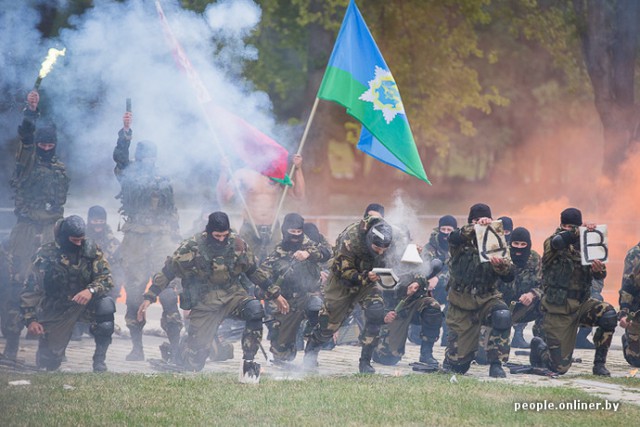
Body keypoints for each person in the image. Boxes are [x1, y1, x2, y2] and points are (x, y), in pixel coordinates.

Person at [137, 212, 276, 377]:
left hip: (233, 297)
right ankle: (177, 351)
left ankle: (249, 363)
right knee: (193, 364)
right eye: (217, 236)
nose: (221, 240)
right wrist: (149, 297)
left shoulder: (238, 244)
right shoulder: (191, 246)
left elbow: (253, 271)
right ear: (209, 232)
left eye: (225, 235)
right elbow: (168, 272)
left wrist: (275, 293)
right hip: (204, 303)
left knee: (254, 309)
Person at [2, 90, 69, 361]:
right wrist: (31, 111)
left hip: (52, 231)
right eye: (42, 144)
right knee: (18, 283)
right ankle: (11, 346)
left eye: (49, 144)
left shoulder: (60, 169)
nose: (45, 148)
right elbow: (26, 139)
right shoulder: (27, 162)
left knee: (53, 286)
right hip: (27, 230)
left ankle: (51, 346)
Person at [113, 111, 182, 361]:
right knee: (133, 294)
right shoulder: (128, 176)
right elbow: (120, 160)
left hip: (161, 239)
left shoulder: (163, 180)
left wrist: (176, 240)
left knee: (167, 293)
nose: (148, 161)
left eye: (152, 156)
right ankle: (137, 347)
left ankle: (175, 346)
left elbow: (172, 211)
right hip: (135, 241)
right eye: (144, 156)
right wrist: (125, 134)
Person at [20, 216, 115, 372]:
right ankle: (51, 351)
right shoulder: (45, 254)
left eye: (81, 239)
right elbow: (31, 288)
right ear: (64, 237)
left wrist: (90, 290)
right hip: (58, 306)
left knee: (106, 306)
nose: (79, 243)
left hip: (85, 302)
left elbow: (106, 278)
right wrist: (30, 320)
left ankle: (99, 361)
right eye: (74, 240)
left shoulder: (91, 250)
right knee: (49, 363)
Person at [529, 208, 616, 376]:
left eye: (574, 226)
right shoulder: (553, 243)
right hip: (558, 309)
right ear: (561, 226)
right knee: (559, 368)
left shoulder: (587, 245)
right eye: (568, 226)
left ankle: (599, 364)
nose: (571, 230)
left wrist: (598, 269)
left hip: (581, 305)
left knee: (609, 314)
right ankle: (539, 348)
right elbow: (558, 242)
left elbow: (601, 274)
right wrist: (580, 230)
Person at [303, 214, 394, 374]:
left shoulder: (389, 237)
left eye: (383, 249)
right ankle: (311, 351)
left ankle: (365, 362)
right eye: (376, 248)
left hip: (368, 282)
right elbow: (345, 272)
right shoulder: (350, 239)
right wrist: (365, 276)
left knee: (375, 311)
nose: (380, 252)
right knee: (328, 326)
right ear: (369, 240)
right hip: (342, 282)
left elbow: (396, 258)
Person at [444, 203, 514, 378]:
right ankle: (454, 359)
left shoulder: (495, 241)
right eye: (476, 220)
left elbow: (510, 275)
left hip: (487, 298)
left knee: (502, 315)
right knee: (457, 367)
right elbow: (453, 237)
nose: (481, 223)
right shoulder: (459, 241)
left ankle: (496, 363)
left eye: (484, 219)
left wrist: (500, 267)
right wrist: (476, 227)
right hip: (461, 302)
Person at [258, 213, 332, 363]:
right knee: (282, 355)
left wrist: (308, 254)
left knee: (320, 311)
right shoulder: (276, 254)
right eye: (292, 232)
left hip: (309, 295)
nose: (296, 236)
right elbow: (262, 279)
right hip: (287, 301)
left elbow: (326, 252)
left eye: (299, 232)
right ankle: (287, 345)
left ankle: (311, 355)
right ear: (285, 231)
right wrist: (274, 295)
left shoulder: (309, 244)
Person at [216, 155, 305, 262]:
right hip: (250, 228)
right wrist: (224, 171)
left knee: (275, 264)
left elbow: (298, 195)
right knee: (245, 265)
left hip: (272, 229)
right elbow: (223, 197)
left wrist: (298, 169)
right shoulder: (243, 174)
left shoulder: (278, 175)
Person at [476, 227, 543, 362]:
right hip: (497, 308)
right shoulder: (500, 255)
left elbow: (544, 284)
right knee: (482, 358)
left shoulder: (535, 259)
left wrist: (532, 294)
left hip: (523, 307)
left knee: (547, 305)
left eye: (523, 244)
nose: (519, 248)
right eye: (515, 244)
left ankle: (541, 348)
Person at [421, 214, 456, 347]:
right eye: (443, 229)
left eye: (449, 230)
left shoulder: (458, 248)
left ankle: (447, 336)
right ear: (439, 229)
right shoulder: (430, 247)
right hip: (431, 288)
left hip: (449, 288)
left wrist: (439, 277)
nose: (446, 233)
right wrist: (432, 277)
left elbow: (456, 271)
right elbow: (424, 268)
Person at [619, 240, 640, 367]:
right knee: (636, 360)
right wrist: (625, 314)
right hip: (637, 312)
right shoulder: (635, 254)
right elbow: (628, 288)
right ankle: (628, 340)